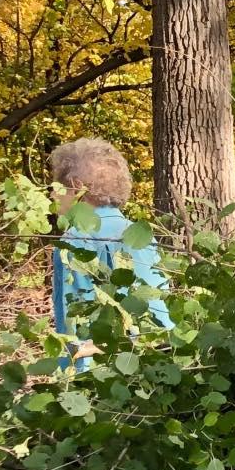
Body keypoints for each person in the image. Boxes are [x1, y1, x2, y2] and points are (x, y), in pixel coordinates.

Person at [47, 139, 172, 367]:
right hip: (158, 358)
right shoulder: (141, 235)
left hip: (104, 375)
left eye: (57, 189)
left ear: (76, 187)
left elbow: (77, 323)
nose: (53, 197)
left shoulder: (75, 240)